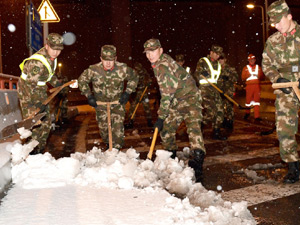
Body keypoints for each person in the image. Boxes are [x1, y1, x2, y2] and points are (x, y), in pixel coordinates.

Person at [144, 38, 206, 182]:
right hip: (177, 100)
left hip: (190, 99)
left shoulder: (162, 66)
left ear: (161, 50)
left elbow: (166, 94)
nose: (150, 55)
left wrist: (160, 117)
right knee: (166, 131)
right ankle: (171, 157)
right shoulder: (159, 62)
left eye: (153, 51)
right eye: (147, 52)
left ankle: (197, 167)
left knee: (194, 130)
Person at [262, 0, 300, 183]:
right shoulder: (273, 41)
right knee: (284, 128)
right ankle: (292, 166)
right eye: (273, 23)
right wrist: (277, 79)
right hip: (285, 87)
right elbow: (266, 65)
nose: (276, 26)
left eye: (279, 21)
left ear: (289, 16)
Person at [78, 45, 138, 150]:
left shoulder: (123, 69)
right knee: (104, 131)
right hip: (101, 106)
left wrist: (127, 92)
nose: (108, 63)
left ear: (115, 58)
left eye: (111, 60)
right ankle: (108, 145)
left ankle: (116, 151)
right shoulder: (93, 70)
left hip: (117, 104)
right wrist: (89, 95)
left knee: (118, 131)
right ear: (101, 58)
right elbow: (82, 81)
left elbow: (134, 77)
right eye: (105, 60)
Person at [17, 33, 64, 154]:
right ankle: (29, 153)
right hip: (28, 93)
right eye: (53, 48)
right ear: (47, 45)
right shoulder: (37, 63)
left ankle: (39, 151)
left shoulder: (52, 59)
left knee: (46, 124)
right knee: (33, 125)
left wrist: (57, 84)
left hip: (39, 91)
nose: (55, 52)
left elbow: (48, 74)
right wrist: (36, 105)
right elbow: (30, 85)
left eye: (58, 49)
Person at [194, 45, 227, 140]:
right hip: (205, 90)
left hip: (215, 90)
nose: (217, 56)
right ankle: (199, 125)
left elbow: (218, 79)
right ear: (211, 52)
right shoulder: (203, 61)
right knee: (211, 113)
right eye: (216, 53)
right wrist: (201, 74)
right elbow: (197, 73)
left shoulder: (218, 65)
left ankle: (216, 132)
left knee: (220, 112)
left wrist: (222, 87)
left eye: (219, 54)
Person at [126, 62, 153, 128]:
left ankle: (149, 122)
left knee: (144, 108)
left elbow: (149, 81)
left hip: (142, 93)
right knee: (133, 108)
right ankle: (131, 122)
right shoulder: (136, 73)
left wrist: (148, 82)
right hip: (137, 93)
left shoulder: (143, 73)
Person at [217, 53, 239, 130]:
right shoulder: (216, 69)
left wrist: (228, 78)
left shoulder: (230, 69)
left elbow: (235, 78)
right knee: (220, 107)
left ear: (225, 60)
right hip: (219, 90)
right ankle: (223, 121)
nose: (220, 60)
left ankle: (230, 122)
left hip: (228, 90)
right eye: (219, 59)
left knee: (229, 107)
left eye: (222, 59)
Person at [241, 54, 264, 121]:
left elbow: (262, 77)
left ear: (255, 60)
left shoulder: (258, 67)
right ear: (248, 61)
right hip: (249, 86)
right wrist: (247, 75)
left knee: (257, 101)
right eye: (250, 60)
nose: (251, 61)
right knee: (248, 101)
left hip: (257, 85)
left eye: (252, 60)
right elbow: (243, 77)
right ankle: (247, 113)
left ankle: (257, 116)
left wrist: (259, 76)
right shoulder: (245, 68)